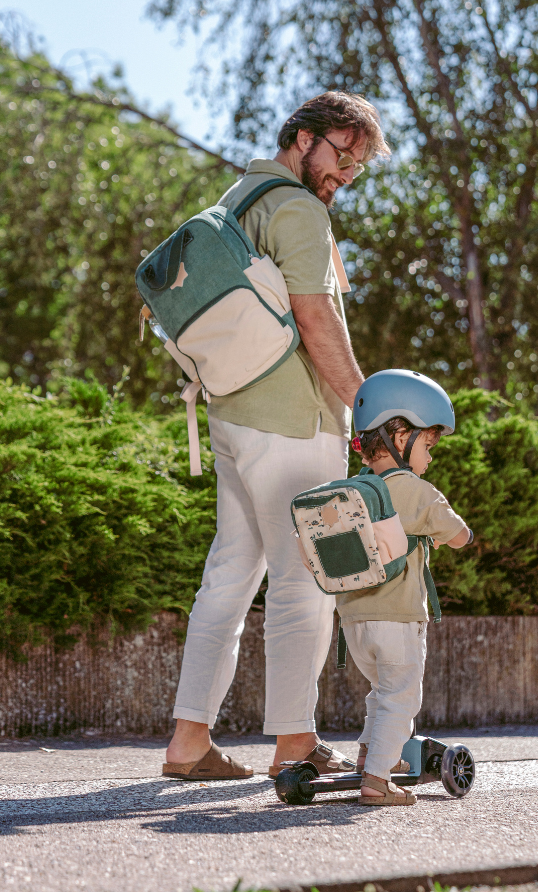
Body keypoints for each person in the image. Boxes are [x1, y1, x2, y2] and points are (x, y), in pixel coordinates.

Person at [163, 92, 390, 781]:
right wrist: (370, 409)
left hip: (231, 416)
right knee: (304, 582)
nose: (347, 169)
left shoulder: (241, 197)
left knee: (229, 577)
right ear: (301, 137)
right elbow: (317, 323)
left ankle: (189, 742)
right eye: (341, 151)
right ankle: (295, 744)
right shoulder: (298, 209)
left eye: (359, 162)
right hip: (293, 424)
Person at [338, 370, 472, 805]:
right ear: (400, 437)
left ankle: (369, 756)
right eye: (428, 446)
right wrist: (453, 535)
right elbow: (459, 535)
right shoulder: (416, 491)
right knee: (403, 696)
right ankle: (377, 780)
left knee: (382, 692)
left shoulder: (353, 489)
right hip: (397, 618)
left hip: (353, 623)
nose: (430, 458)